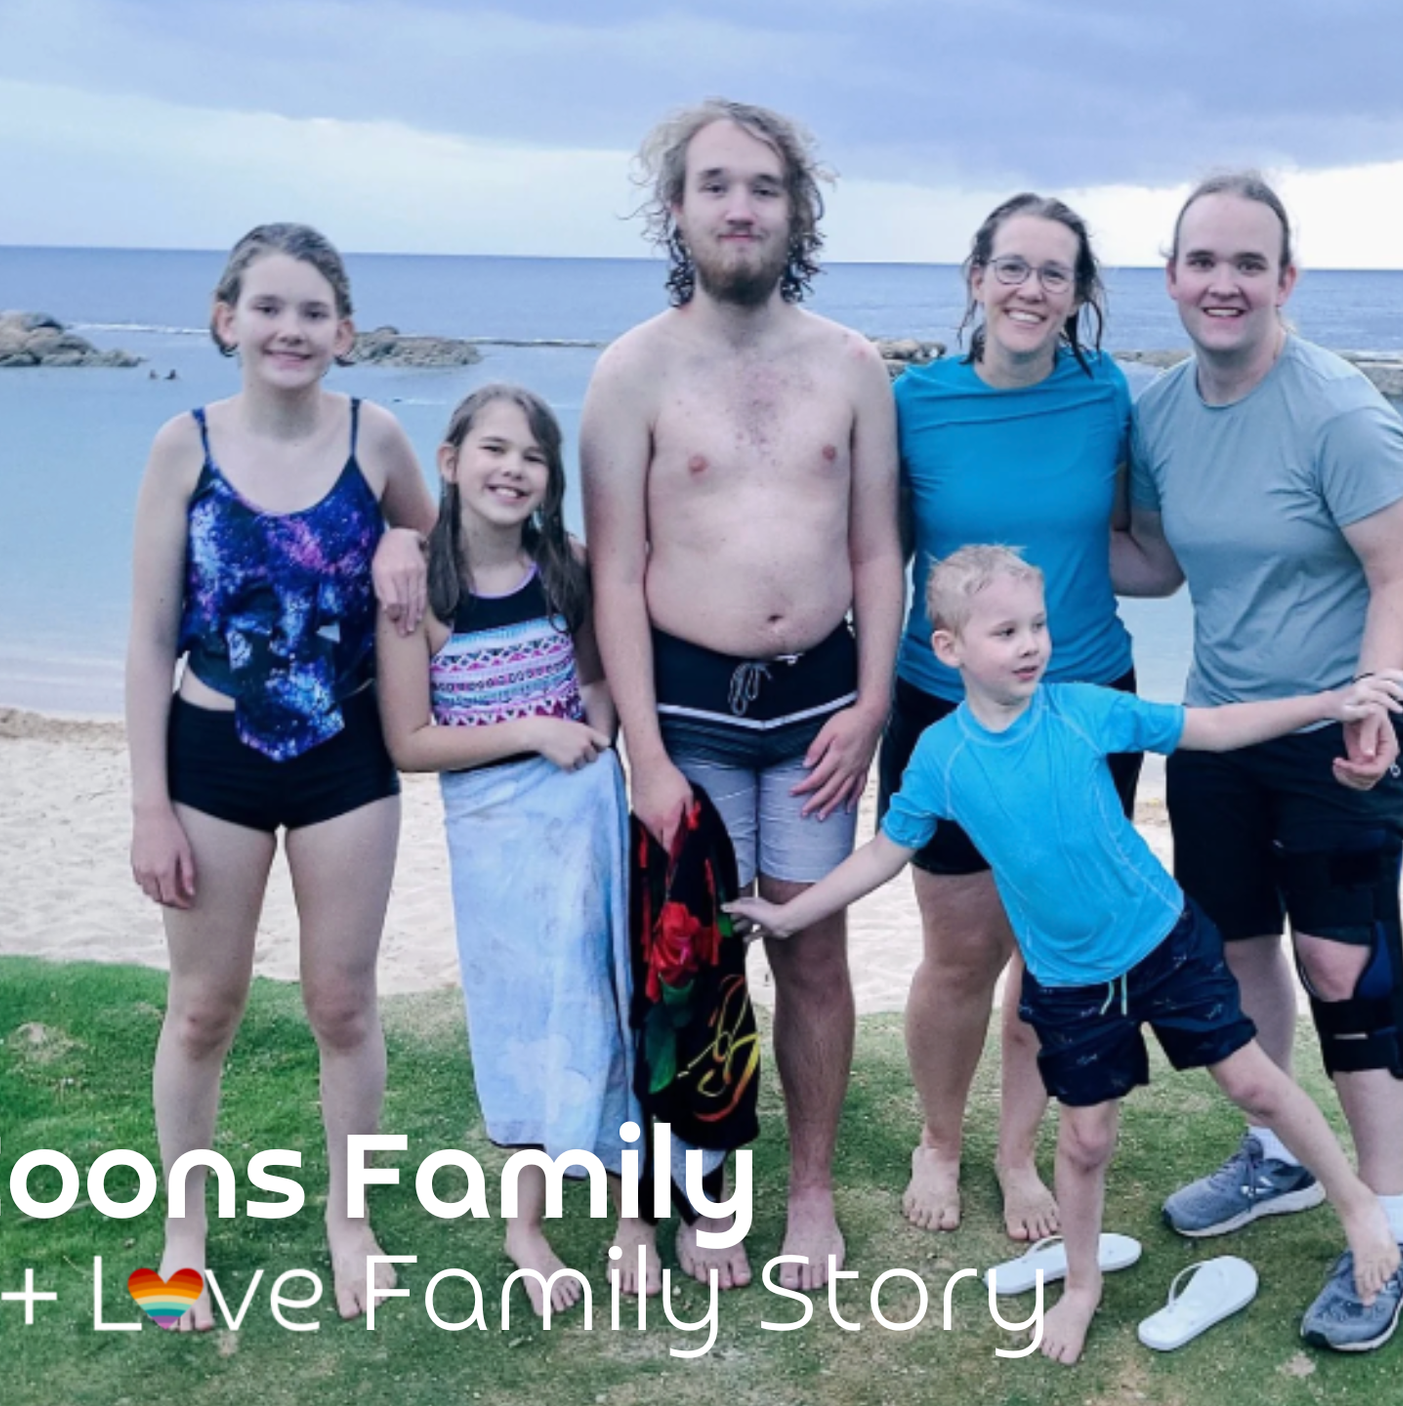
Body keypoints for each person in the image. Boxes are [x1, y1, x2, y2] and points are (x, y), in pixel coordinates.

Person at [728, 546, 1403, 1365]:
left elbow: (1213, 727)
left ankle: (1360, 1207)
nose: (1030, 644)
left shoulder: (1083, 711)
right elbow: (883, 853)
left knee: (1256, 1082)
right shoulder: (941, 758)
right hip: (1072, 985)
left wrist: (1334, 701)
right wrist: (793, 911)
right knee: (1084, 1143)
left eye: (1038, 625)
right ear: (949, 649)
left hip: (1164, 942)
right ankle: (1080, 1286)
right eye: (1006, 630)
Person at [1112, 172, 1403, 1351]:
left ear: (1284, 281)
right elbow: (1157, 564)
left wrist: (1379, 698)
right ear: (1172, 278)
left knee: (1345, 966)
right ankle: (1277, 1157)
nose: (1223, 282)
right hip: (1221, 729)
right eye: (1202, 261)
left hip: (1341, 729)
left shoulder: (1338, 412)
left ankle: (1391, 1229)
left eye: (1248, 263)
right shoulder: (1157, 412)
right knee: (1241, 952)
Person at [580, 99, 900, 1292]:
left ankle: (807, 1187)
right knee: (690, 966)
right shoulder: (631, 371)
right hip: (691, 716)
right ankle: (709, 1188)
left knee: (812, 956)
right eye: (715, 185)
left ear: (794, 209)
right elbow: (614, 569)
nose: (739, 207)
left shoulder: (852, 365)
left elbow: (878, 554)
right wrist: (647, 758)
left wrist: (870, 706)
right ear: (677, 210)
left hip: (819, 711)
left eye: (763, 187)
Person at [123, 223, 438, 1330]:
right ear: (226, 321)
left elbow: (452, 580)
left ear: (343, 332)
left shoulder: (380, 437)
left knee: (340, 1002)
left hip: (346, 756)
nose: (288, 329)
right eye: (267, 307)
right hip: (209, 757)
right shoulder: (183, 445)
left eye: (312, 311)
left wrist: (408, 549)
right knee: (203, 1007)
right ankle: (181, 1235)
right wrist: (149, 803)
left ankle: (349, 1223)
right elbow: (150, 633)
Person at [880, 194, 1138, 1241]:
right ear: (976, 276)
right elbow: (865, 555)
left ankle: (1017, 1150)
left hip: (1083, 712)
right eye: (1014, 267)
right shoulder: (913, 402)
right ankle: (938, 1138)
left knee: (1053, 956)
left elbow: (1145, 540)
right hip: (943, 713)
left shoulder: (1106, 390)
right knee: (959, 952)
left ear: (1079, 296)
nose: (1032, 289)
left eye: (1055, 273)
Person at [374, 383, 659, 1313]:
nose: (513, 469)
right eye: (493, 450)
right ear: (449, 461)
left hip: (584, 819)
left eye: (533, 457)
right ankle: (525, 1228)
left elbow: (599, 682)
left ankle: (631, 1222)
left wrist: (593, 736)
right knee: (522, 1020)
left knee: (607, 998)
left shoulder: (566, 567)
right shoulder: (422, 592)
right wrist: (537, 732)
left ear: (550, 480)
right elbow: (410, 742)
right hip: (493, 836)